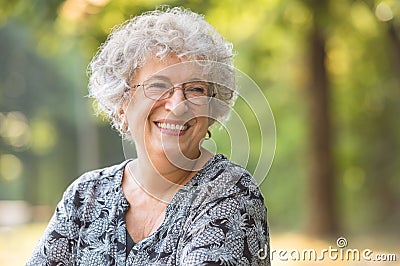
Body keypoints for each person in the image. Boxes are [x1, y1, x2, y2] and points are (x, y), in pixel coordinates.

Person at [27, 6, 271, 266]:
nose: (177, 105)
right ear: (123, 104)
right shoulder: (85, 196)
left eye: (195, 89)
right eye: (158, 86)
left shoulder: (229, 192)